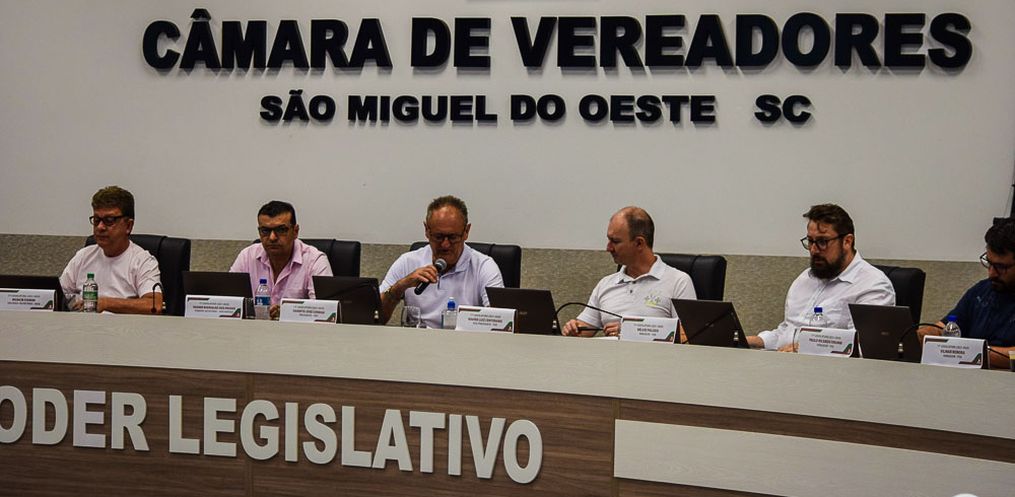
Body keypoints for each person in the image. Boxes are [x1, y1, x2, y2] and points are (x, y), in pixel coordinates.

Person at [747, 204, 895, 351]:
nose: (813, 250)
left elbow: (861, 345)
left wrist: (803, 348)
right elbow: (788, 332)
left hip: (827, 366)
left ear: (847, 241)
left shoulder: (873, 285)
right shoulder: (805, 279)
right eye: (810, 241)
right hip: (785, 361)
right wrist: (753, 341)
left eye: (822, 242)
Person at [562, 207, 697, 338]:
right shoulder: (605, 284)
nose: (608, 248)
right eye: (609, 240)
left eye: (615, 241)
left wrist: (632, 330)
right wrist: (574, 328)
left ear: (639, 243)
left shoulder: (678, 282)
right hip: (608, 353)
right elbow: (585, 329)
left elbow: (689, 335)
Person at [380, 195, 504, 328]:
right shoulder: (407, 262)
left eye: (452, 237)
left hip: (465, 339)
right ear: (427, 231)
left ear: (466, 232)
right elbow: (374, 317)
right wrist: (399, 287)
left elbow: (500, 322)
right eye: (438, 237)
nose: (445, 245)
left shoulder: (484, 267)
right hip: (418, 339)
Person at [918, 218, 1015, 369]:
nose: (991, 273)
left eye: (1001, 267)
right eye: (989, 263)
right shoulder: (982, 291)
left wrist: (969, 352)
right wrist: (920, 336)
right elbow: (944, 328)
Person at [59, 186, 163, 314]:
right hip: (83, 325)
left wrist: (106, 303)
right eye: (96, 220)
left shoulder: (143, 262)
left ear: (128, 226)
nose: (100, 227)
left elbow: (154, 305)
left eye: (109, 220)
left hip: (122, 326)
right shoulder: (83, 256)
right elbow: (59, 294)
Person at [229, 200, 332, 319]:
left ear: (295, 231)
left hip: (298, 330)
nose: (272, 237)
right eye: (265, 231)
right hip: (252, 329)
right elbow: (229, 302)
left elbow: (324, 312)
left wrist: (287, 313)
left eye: (281, 230)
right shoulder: (247, 256)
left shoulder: (315, 261)